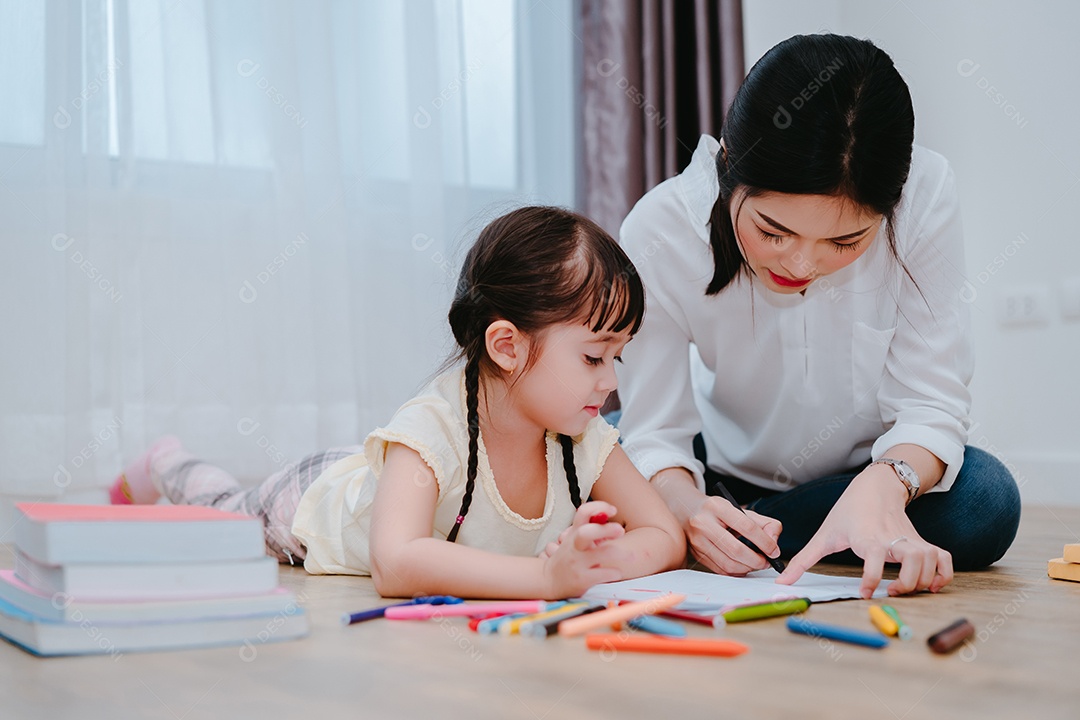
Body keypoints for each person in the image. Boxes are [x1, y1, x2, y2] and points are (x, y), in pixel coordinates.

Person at [615, 34, 1021, 599]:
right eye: (771, 232)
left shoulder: (925, 197)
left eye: (846, 240)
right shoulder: (660, 228)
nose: (803, 263)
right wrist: (687, 508)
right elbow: (654, 429)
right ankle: (735, 526)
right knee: (588, 451)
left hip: (858, 477)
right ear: (729, 165)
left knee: (985, 502)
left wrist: (888, 484)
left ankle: (764, 530)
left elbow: (932, 401)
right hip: (711, 467)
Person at [110, 206, 685, 600]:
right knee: (216, 514)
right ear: (506, 345)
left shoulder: (584, 436)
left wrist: (596, 563)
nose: (610, 381)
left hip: (384, 479)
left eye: (619, 358)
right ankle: (164, 461)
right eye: (592, 357)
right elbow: (395, 561)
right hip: (312, 499)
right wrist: (547, 577)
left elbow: (664, 534)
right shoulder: (432, 428)